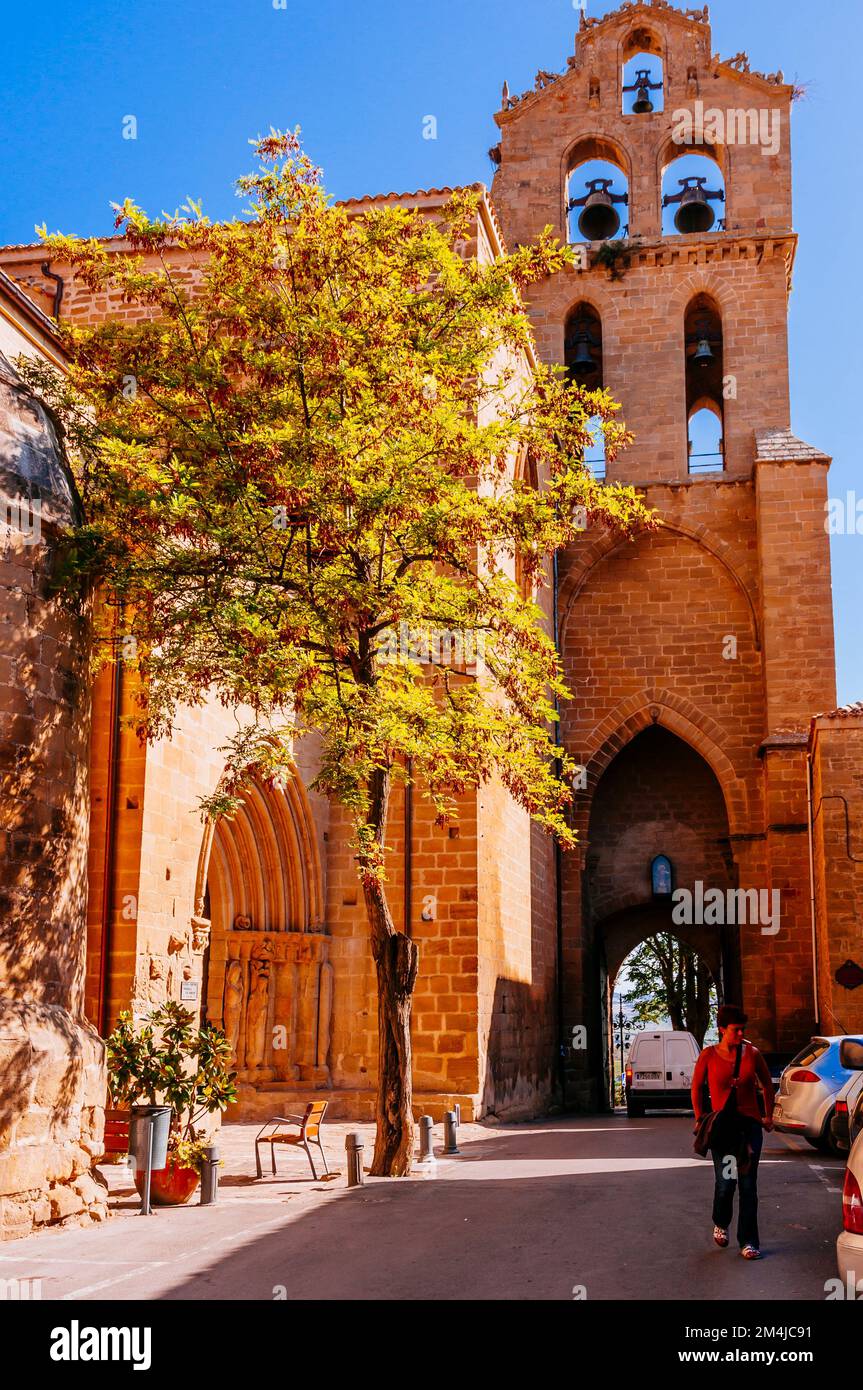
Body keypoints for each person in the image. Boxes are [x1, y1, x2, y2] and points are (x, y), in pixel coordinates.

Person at [691, 1004, 775, 1259]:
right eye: (736, 1030)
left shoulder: (752, 1053)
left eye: (742, 1030)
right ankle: (720, 1222)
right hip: (724, 1131)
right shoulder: (708, 1055)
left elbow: (767, 1085)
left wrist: (768, 1115)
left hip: (749, 1128)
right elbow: (696, 1088)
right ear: (722, 1030)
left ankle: (749, 1242)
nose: (740, 1035)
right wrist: (698, 1118)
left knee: (748, 1185)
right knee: (727, 1183)